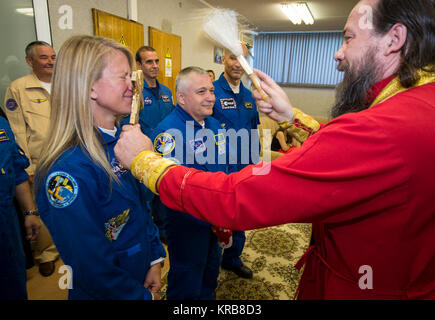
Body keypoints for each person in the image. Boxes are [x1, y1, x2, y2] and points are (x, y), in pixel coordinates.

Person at [114, 0, 435, 299]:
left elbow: (237, 197)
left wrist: (145, 163)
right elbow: (355, 152)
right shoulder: (417, 107)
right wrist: (290, 116)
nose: (338, 54)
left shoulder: (381, 128)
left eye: (349, 38)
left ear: (394, 38)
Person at [35, 35, 166, 300]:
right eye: (123, 77)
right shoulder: (67, 170)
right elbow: (90, 266)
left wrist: (153, 257)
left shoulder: (123, 142)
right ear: (90, 88)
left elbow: (141, 208)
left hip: (138, 270)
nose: (133, 86)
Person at [149, 66, 231, 300]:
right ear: (181, 98)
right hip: (188, 221)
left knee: (210, 269)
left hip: (215, 215)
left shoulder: (214, 124)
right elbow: (171, 188)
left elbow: (225, 165)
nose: (211, 97)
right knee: (187, 277)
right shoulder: (166, 134)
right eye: (202, 92)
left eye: (212, 91)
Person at [3, 41, 59, 277]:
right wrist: (28, 167)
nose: (50, 62)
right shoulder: (18, 89)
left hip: (67, 155)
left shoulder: (64, 84)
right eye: (44, 57)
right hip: (39, 160)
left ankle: (66, 244)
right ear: (30, 61)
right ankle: (46, 253)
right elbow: (16, 132)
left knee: (66, 201)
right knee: (40, 208)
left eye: (53, 57)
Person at [211, 45, 260, 279]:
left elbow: (253, 131)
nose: (238, 64)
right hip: (219, 170)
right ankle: (210, 260)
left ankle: (232, 258)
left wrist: (257, 166)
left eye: (242, 58)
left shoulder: (249, 96)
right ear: (223, 60)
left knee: (239, 215)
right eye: (233, 58)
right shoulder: (211, 93)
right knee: (214, 218)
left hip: (244, 169)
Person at [121, 46, 175, 243]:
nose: (155, 66)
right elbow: (125, 124)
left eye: (157, 61)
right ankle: (145, 235)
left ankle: (164, 231)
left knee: (164, 193)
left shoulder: (167, 92)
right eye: (149, 62)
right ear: (138, 65)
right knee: (145, 197)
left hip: (167, 152)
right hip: (143, 154)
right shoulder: (134, 93)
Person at [0, 109, 41, 299]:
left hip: (7, 223)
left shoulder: (1, 123)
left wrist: (30, 212)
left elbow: (16, 170)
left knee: (14, 284)